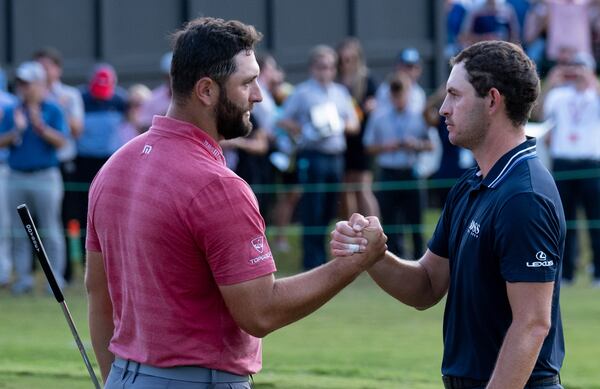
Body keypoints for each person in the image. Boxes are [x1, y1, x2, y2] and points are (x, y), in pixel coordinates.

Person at [85, 17, 387, 388]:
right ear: (206, 91)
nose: (258, 95)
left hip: (124, 376)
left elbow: (97, 295)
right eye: (246, 82)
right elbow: (261, 310)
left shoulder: (114, 166)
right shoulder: (219, 187)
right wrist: (353, 263)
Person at [333, 41, 566, 389]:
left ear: (491, 100)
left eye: (455, 95)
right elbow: (425, 286)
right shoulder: (472, 182)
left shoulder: (523, 197)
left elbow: (532, 324)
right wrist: (374, 256)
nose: (443, 109)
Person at [278, 44, 360, 270]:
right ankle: (311, 261)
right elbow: (283, 120)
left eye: (330, 66)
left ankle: (322, 258)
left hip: (335, 157)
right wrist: (305, 127)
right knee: (311, 208)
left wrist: (337, 124)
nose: (326, 71)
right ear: (313, 68)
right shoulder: (302, 92)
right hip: (312, 155)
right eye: (322, 66)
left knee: (329, 209)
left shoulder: (341, 92)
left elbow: (354, 123)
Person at [0, 61, 68, 294]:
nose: (23, 88)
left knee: (50, 228)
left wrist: (40, 126)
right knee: (19, 232)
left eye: (28, 83)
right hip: (16, 175)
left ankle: (55, 279)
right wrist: (17, 130)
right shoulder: (12, 110)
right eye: (20, 83)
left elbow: (62, 141)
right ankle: (23, 279)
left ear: (40, 85)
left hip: (45, 176)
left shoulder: (53, 109)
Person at [542, 51, 600, 286]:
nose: (575, 72)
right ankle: (565, 273)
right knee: (563, 222)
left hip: (591, 164)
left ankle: (598, 271)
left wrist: (591, 81)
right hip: (563, 163)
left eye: (581, 67)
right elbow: (537, 115)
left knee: (595, 219)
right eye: (572, 67)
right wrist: (550, 84)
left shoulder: (595, 93)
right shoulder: (558, 95)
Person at [363, 72, 433, 258]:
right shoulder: (379, 117)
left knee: (416, 220)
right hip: (389, 172)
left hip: (411, 171)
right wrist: (385, 147)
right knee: (391, 222)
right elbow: (368, 146)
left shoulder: (418, 116)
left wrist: (415, 144)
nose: (398, 99)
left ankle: (420, 259)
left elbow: (430, 145)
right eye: (395, 95)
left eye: (401, 94)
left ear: (408, 93)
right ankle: (395, 259)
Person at [336, 37, 380, 219]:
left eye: (351, 59)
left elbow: (375, 105)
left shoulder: (367, 79)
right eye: (343, 59)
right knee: (346, 188)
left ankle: (374, 228)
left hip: (362, 140)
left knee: (362, 187)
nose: (347, 63)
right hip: (342, 139)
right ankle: (352, 230)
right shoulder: (336, 82)